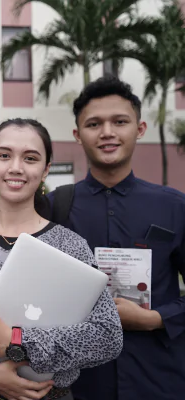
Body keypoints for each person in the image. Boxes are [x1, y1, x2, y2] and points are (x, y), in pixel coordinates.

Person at [0, 118, 123, 400]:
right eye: (4, 156)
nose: (16, 167)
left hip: (51, 395)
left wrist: (18, 341)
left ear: (45, 170)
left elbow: (107, 337)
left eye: (30, 158)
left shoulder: (70, 245)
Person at [48, 77, 185, 400]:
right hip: (78, 384)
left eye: (119, 122)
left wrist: (155, 318)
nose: (107, 132)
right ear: (78, 135)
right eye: (94, 124)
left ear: (139, 129)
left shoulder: (174, 206)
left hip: (158, 380)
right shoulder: (54, 207)